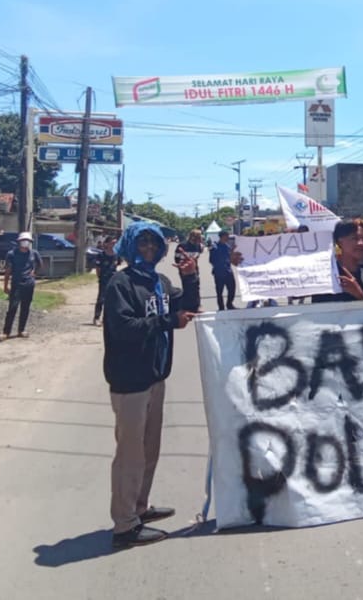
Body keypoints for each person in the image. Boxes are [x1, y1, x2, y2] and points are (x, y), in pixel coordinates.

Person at [104, 222, 200, 549]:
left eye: (154, 243)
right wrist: (168, 321)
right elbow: (123, 328)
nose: (148, 248)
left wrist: (190, 276)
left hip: (156, 376)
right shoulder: (121, 283)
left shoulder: (159, 283)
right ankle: (124, 525)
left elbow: (187, 307)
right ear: (130, 246)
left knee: (149, 451)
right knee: (130, 454)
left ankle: (139, 507)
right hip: (130, 381)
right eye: (142, 242)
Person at [313, 218, 363, 303]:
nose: (361, 243)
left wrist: (359, 294)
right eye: (354, 238)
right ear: (339, 242)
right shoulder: (326, 280)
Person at [1, 231, 42, 339]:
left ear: (30, 242)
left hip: (29, 284)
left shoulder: (34, 253)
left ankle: (21, 330)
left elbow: (40, 264)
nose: (25, 243)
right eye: (23, 241)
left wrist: (34, 273)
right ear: (19, 242)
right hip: (16, 284)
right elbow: (8, 271)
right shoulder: (11, 254)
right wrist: (5, 285)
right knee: (12, 308)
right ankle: (6, 332)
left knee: (25, 307)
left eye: (27, 241)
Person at [92, 236, 121, 326]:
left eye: (115, 243)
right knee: (101, 299)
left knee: (112, 300)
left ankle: (107, 319)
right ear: (107, 244)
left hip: (113, 280)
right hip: (104, 279)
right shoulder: (101, 255)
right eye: (112, 243)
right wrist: (100, 277)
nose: (114, 245)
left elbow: (117, 265)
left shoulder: (116, 255)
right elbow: (98, 268)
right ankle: (96, 318)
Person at [209, 231, 237, 310]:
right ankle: (221, 307)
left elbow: (230, 257)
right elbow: (211, 260)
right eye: (227, 236)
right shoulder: (214, 247)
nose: (228, 238)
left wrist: (232, 251)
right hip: (219, 272)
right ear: (222, 236)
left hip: (228, 271)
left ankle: (229, 304)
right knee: (219, 291)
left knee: (232, 288)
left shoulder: (227, 246)